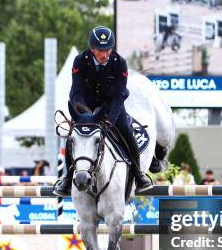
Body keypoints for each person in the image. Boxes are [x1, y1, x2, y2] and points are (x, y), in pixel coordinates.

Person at [53, 26, 153, 196]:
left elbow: (119, 95)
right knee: (74, 136)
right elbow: (76, 91)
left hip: (111, 104)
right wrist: (84, 114)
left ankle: (139, 174)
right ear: (92, 49)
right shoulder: (79, 61)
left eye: (108, 50)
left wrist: (110, 119)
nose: (105, 54)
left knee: (127, 132)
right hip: (85, 105)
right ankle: (67, 178)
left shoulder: (119, 63)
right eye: (101, 51)